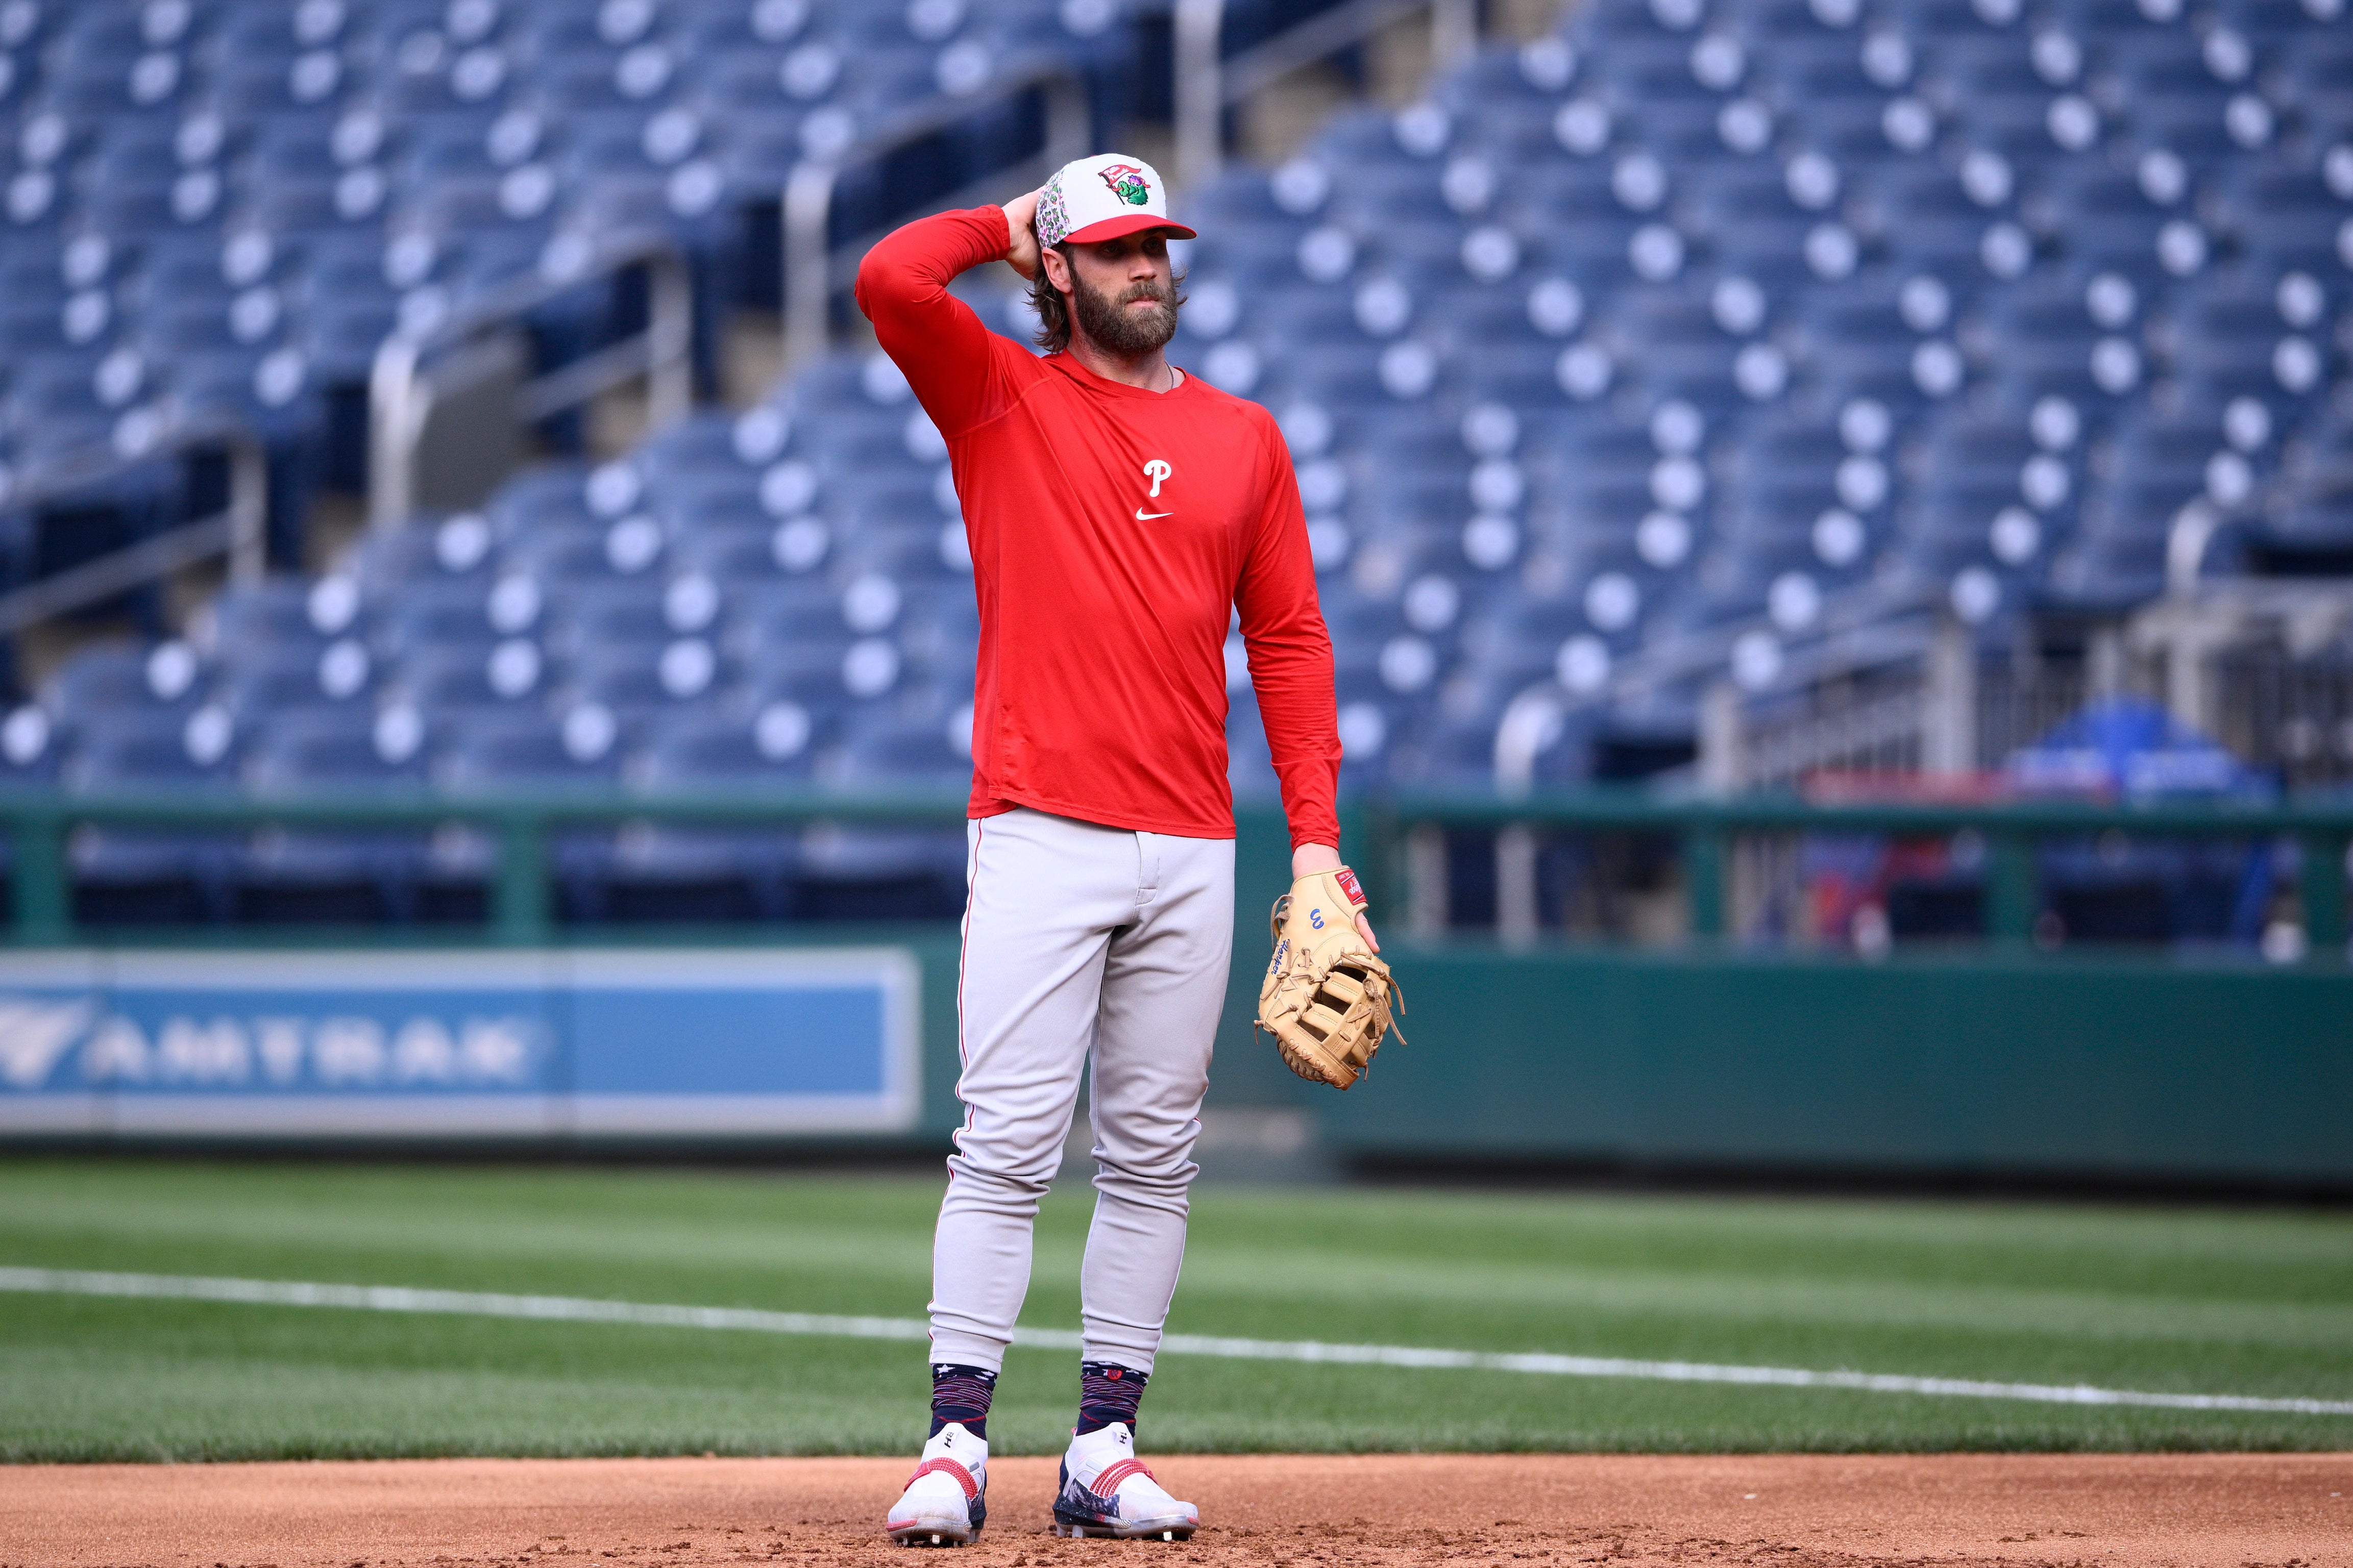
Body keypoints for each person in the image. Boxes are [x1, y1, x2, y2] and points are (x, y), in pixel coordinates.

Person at [855, 153, 1376, 1546]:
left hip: (1190, 846)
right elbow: (887, 278)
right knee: (1008, 1144)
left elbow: (1289, 641)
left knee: (1153, 1157)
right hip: (1037, 829)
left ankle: (1103, 1445)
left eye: (1158, 244)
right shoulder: (1000, 399)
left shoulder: (1244, 437)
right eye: (1115, 247)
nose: (1148, 265)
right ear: (1060, 274)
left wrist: (1316, 848)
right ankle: (954, 1440)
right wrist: (1005, 222)